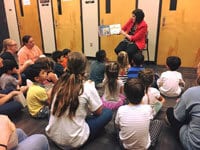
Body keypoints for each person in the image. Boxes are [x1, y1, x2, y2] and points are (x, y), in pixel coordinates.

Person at [46, 52, 112, 149]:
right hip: (73, 141)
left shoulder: (58, 82)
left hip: (53, 136)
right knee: (107, 112)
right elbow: (98, 112)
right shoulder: (87, 86)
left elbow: (49, 100)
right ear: (85, 68)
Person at [115, 78, 162, 149]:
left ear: (125, 95)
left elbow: (117, 126)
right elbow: (151, 119)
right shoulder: (148, 108)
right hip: (145, 147)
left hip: (125, 147)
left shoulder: (121, 109)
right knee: (158, 122)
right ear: (143, 94)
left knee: (116, 119)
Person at [165, 74, 200, 150]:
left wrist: (181, 102)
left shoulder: (192, 92)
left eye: (198, 69)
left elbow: (177, 117)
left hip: (193, 144)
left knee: (170, 111)